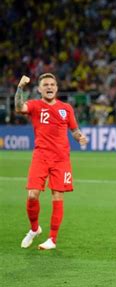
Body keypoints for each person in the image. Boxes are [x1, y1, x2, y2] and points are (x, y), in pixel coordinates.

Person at [15, 73, 88, 250]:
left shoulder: (66, 108)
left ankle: (52, 239)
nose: (49, 87)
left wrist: (79, 137)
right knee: (32, 195)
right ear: (39, 89)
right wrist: (20, 87)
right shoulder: (34, 105)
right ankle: (34, 229)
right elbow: (18, 107)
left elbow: (74, 129)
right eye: (45, 84)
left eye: (52, 84)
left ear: (56, 88)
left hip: (61, 159)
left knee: (57, 196)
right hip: (40, 156)